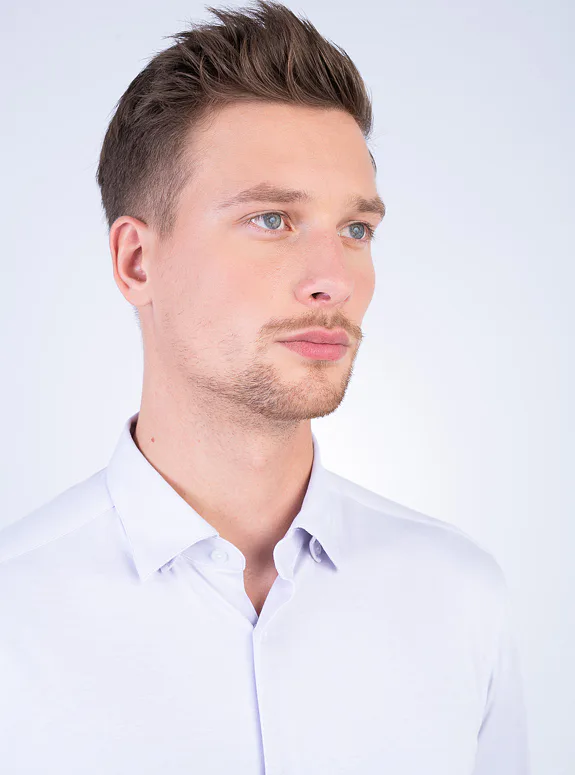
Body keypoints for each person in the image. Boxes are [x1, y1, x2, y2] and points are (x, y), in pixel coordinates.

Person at [0, 1, 530, 772]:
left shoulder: (459, 598)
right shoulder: (15, 617)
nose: (332, 280)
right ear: (137, 262)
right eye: (272, 220)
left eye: (355, 229)